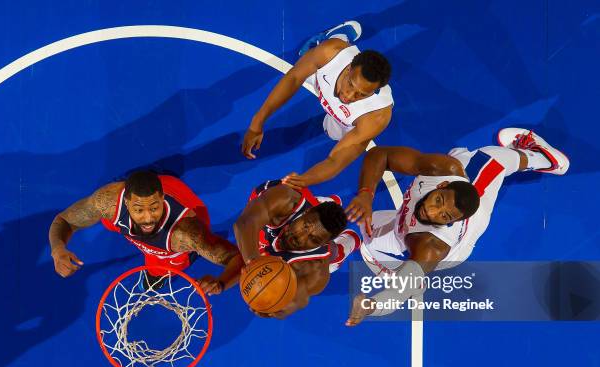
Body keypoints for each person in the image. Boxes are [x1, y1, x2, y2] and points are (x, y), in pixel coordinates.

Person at [345, 128, 570, 326]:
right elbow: (380, 155)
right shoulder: (443, 168)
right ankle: (401, 268)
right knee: (460, 156)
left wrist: (371, 306)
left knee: (492, 159)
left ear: (451, 221)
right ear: (442, 184)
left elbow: (399, 293)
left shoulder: (432, 246)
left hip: (456, 247)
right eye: (438, 201)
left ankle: (548, 159)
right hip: (416, 217)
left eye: (444, 215)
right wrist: (366, 195)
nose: (432, 212)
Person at [241, 21, 393, 189]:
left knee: (333, 133)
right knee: (305, 62)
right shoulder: (330, 54)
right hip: (324, 72)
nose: (349, 96)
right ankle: (339, 35)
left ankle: (332, 58)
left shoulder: (376, 116)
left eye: (361, 94)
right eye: (350, 84)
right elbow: (293, 78)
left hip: (348, 120)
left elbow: (335, 161)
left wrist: (302, 180)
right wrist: (258, 121)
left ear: (375, 91)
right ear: (349, 68)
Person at [49, 171, 243, 294]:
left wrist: (221, 283)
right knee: (108, 219)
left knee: (158, 274)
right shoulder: (108, 201)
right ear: (127, 203)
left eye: (154, 207)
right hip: (146, 195)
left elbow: (237, 257)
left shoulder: (186, 235)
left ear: (162, 197)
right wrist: (57, 250)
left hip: (181, 228)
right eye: (139, 210)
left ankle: (175, 264)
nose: (148, 218)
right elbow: (65, 220)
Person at [234, 180, 360, 318]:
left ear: (323, 243)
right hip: (299, 205)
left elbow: (295, 301)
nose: (300, 238)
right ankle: (327, 202)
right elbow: (244, 223)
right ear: (307, 210)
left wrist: (273, 307)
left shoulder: (316, 271)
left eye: (314, 240)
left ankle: (347, 244)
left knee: (334, 253)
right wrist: (253, 262)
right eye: (305, 227)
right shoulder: (286, 199)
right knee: (319, 216)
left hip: (318, 250)